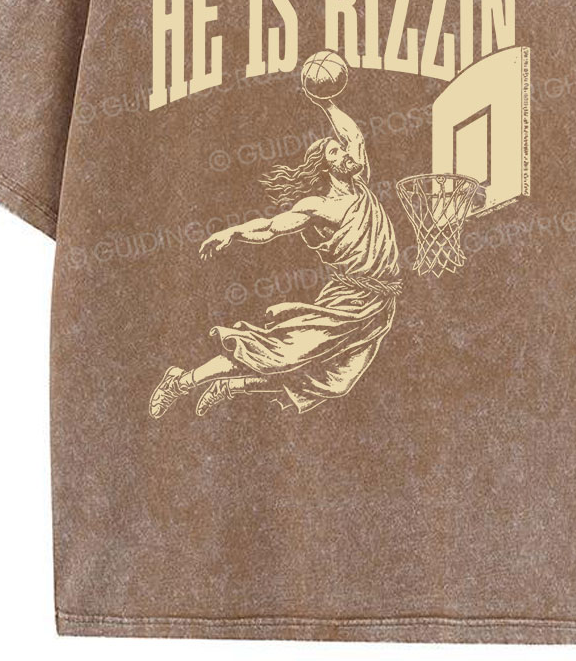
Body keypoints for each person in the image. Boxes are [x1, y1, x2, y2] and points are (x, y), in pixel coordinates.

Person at [149, 90, 401, 418]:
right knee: (275, 353)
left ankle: (230, 387)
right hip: (347, 300)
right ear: (326, 167)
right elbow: (271, 228)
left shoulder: (361, 184)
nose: (343, 152)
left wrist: (326, 103)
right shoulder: (318, 206)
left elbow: (354, 137)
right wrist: (233, 232)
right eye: (334, 151)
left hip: (379, 304)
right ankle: (181, 381)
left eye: (340, 148)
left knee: (335, 382)